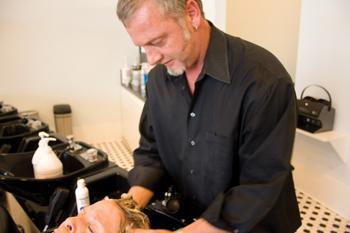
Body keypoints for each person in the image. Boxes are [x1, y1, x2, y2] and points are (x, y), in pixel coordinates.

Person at [56, 0, 301, 232]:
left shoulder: (264, 81)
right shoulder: (158, 80)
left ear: (192, 14)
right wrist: (123, 210)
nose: (151, 59)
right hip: (193, 214)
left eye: (158, 41)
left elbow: (260, 184)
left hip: (253, 224)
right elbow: (152, 153)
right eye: (143, 47)